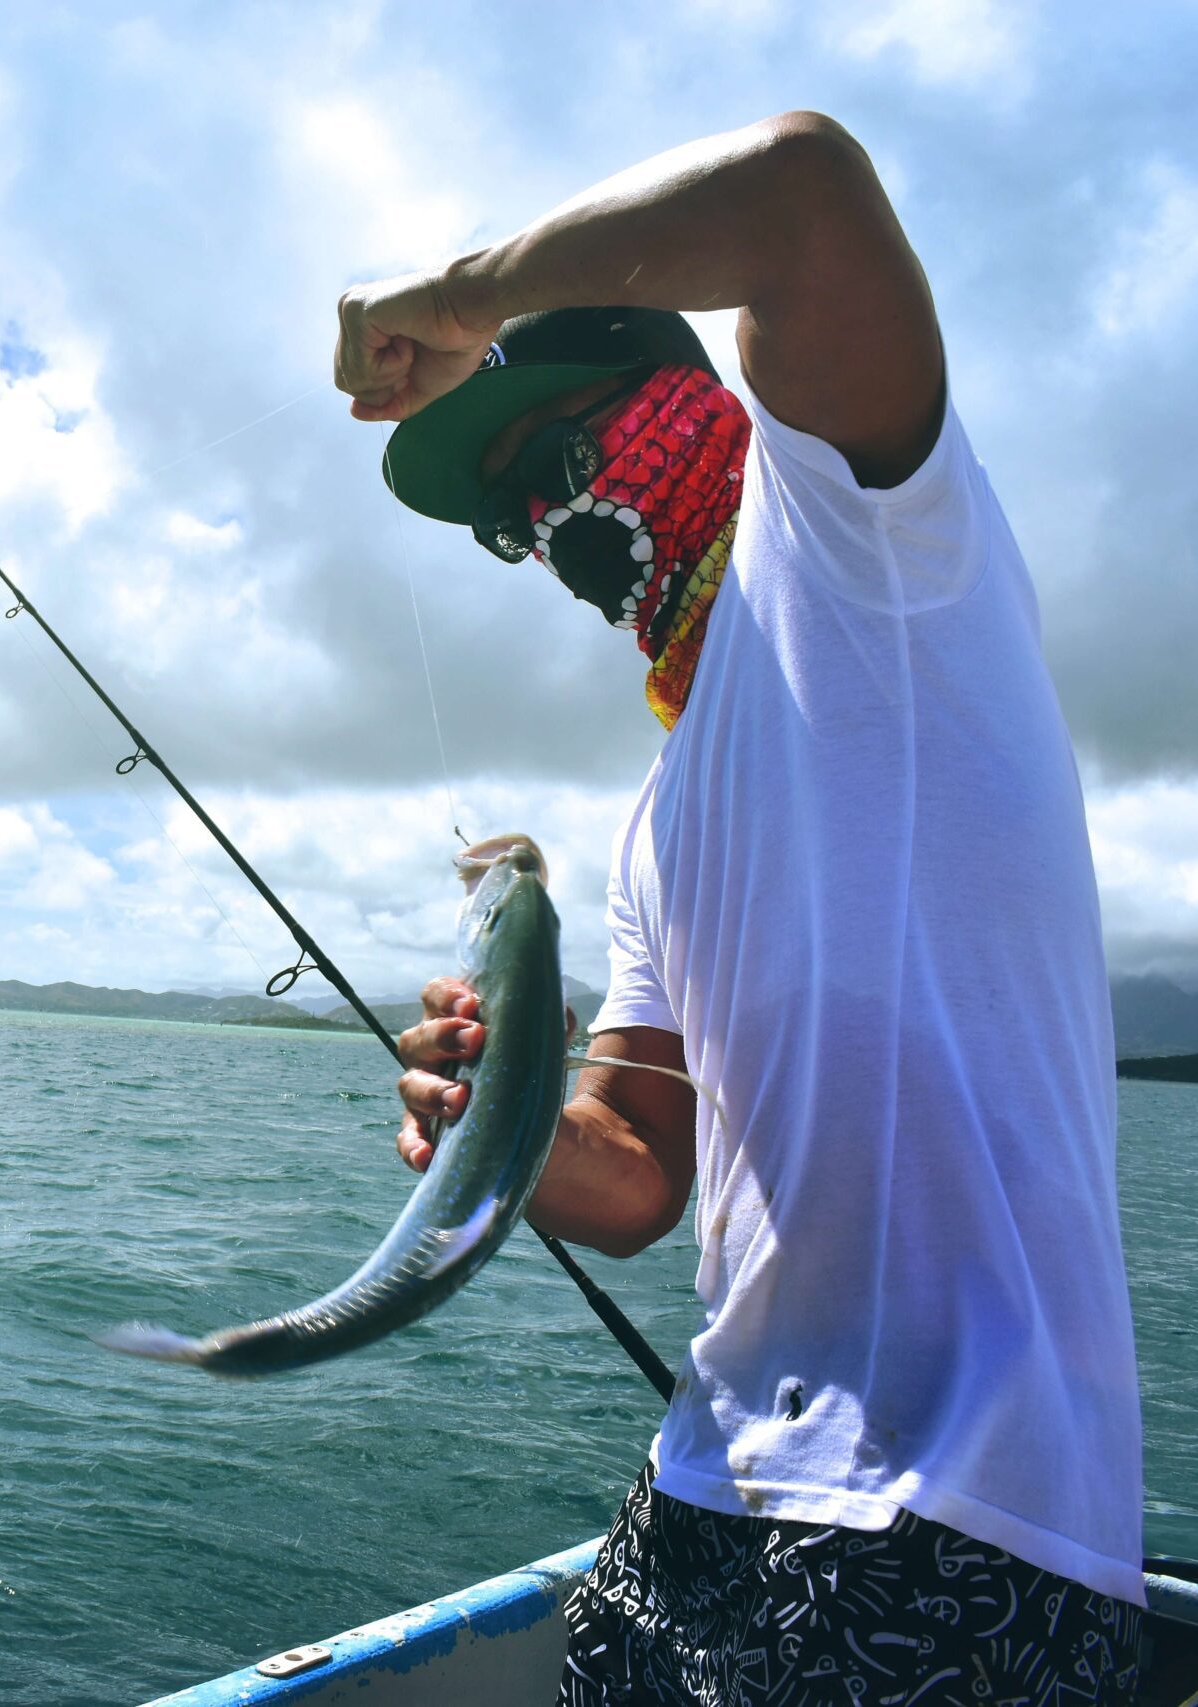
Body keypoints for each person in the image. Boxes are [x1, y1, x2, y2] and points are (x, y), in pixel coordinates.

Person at [333, 113, 1144, 1704]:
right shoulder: (657, 816)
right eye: (514, 519)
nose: (550, 537)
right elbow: (636, 1179)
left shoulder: (868, 540)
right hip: (705, 1492)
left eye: (556, 461)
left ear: (687, 405)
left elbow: (800, 193)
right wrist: (500, 1112)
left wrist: (466, 291)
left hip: (961, 1519)